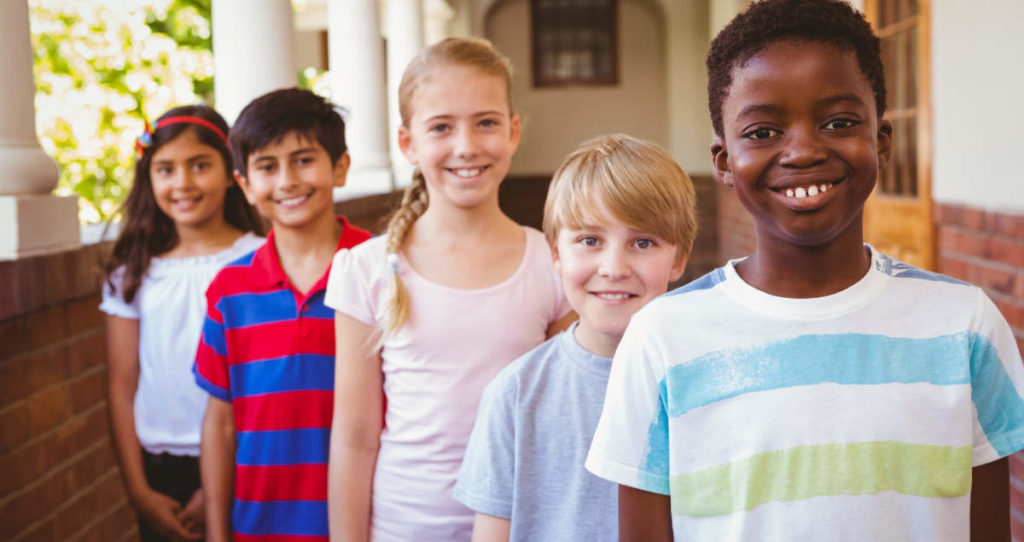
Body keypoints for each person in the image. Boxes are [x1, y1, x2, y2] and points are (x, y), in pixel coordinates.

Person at [585, 1, 1024, 541]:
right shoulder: (664, 337)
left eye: (838, 122)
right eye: (763, 131)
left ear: (882, 141)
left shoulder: (964, 325)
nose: (802, 151)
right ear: (723, 161)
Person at [324, 37, 574, 542]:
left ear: (514, 130)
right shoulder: (366, 269)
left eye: (486, 122)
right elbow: (353, 439)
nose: (467, 146)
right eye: (441, 127)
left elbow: (561, 422)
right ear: (408, 143)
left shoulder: (553, 264)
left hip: (523, 527)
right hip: (403, 527)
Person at [454, 134, 697, 542]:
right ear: (555, 254)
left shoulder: (708, 379)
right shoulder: (515, 394)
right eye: (590, 241)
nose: (614, 267)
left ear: (680, 257)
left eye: (642, 242)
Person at [192, 88, 371, 542]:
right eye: (268, 167)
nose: (288, 180)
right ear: (246, 185)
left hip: (369, 524)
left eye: (304, 159)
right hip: (258, 527)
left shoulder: (381, 270)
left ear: (341, 167)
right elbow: (220, 422)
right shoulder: (229, 291)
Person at [102, 105, 264, 542]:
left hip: (249, 458)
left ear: (232, 171)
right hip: (161, 470)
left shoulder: (260, 258)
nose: (183, 183)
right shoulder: (133, 271)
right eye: (166, 169)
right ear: (148, 178)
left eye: (199, 165)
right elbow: (122, 385)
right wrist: (138, 492)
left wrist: (216, 493)